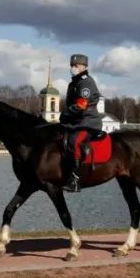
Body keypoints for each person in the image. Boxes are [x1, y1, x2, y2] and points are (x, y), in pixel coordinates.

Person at [59, 53, 103, 192]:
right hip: (75, 121)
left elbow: (82, 104)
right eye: (72, 65)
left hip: (87, 121)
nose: (73, 68)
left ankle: (76, 179)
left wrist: (65, 113)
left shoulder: (86, 82)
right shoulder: (74, 83)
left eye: (76, 65)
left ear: (84, 66)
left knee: (75, 141)